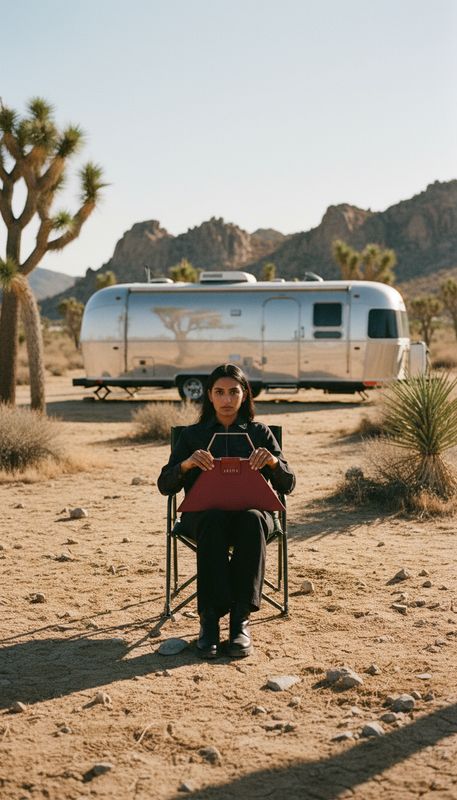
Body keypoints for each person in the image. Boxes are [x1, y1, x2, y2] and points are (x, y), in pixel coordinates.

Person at [157, 364, 295, 659]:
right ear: (209, 395)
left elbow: (288, 484)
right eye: (219, 392)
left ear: (245, 395)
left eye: (234, 392)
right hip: (203, 518)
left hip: (253, 518)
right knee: (213, 519)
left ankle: (239, 621)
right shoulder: (192, 435)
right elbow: (165, 485)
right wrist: (187, 464)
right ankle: (209, 621)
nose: (227, 399)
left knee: (252, 518)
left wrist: (272, 462)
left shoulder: (259, 432)